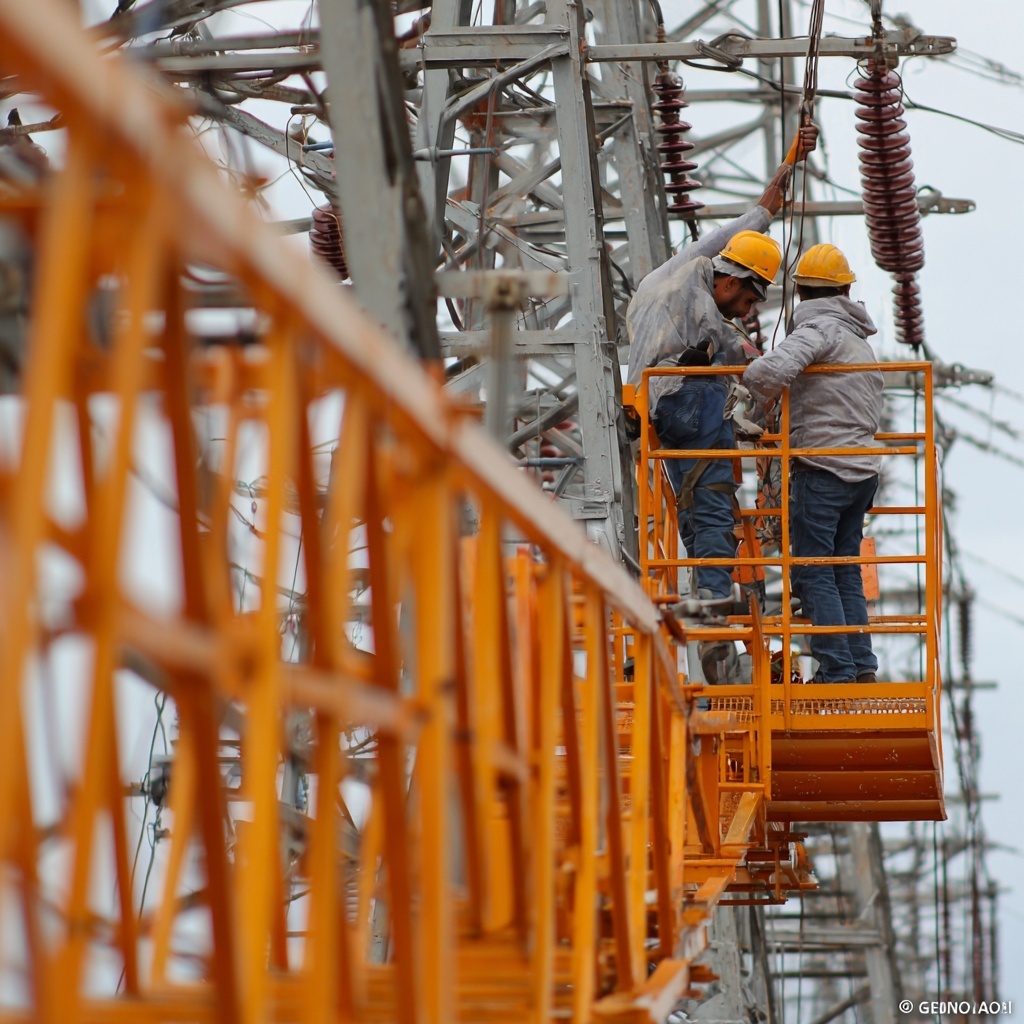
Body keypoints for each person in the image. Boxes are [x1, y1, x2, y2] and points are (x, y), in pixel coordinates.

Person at [625, 123, 817, 683]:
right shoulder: (706, 317)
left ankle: (715, 584)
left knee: (698, 499)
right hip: (681, 402)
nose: (747, 308)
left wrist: (772, 195)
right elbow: (747, 360)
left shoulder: (672, 274)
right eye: (751, 297)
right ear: (734, 283)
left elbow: (718, 238)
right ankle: (712, 599)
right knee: (711, 498)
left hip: (649, 404)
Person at [741, 243, 884, 683]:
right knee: (844, 570)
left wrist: (743, 401)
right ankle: (860, 667)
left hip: (821, 468)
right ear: (844, 290)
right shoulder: (859, 344)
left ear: (799, 292)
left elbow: (765, 374)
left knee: (812, 571)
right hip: (859, 471)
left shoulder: (818, 331)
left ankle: (837, 670)